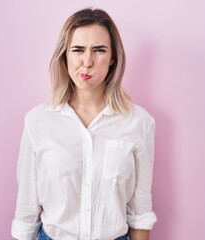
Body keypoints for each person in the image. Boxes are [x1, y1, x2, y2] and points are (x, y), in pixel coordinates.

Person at [11, 8, 157, 240]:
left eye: (99, 50)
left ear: (112, 59)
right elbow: (26, 213)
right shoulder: (37, 122)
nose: (87, 62)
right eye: (78, 50)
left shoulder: (140, 123)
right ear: (65, 55)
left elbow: (140, 213)